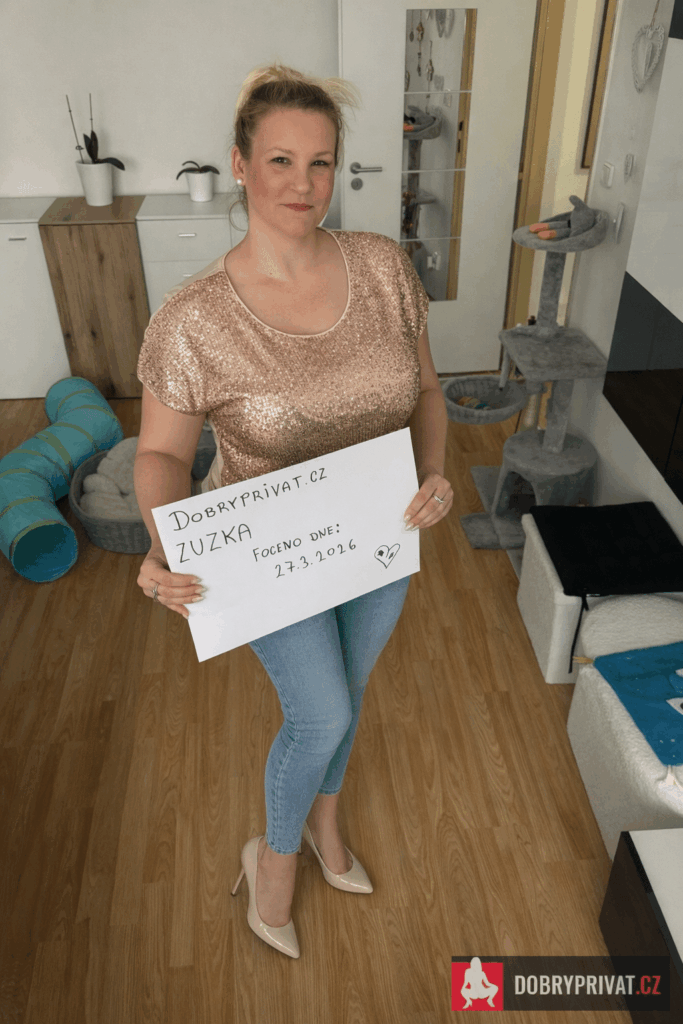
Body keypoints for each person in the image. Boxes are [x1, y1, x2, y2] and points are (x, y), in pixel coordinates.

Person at [134, 63, 453, 960]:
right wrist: (165, 544)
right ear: (240, 165)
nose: (303, 184)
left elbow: (427, 391)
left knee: (348, 693)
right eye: (280, 160)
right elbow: (160, 456)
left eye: (320, 162)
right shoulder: (193, 320)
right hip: (264, 553)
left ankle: (325, 824)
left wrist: (434, 470)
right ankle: (272, 860)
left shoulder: (383, 267)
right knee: (319, 714)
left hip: (380, 534)